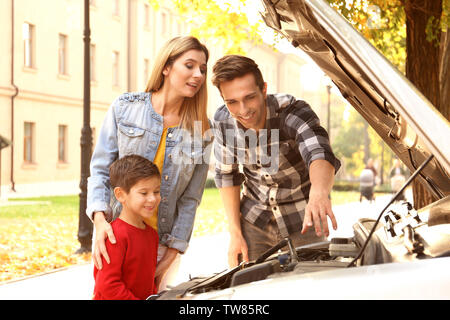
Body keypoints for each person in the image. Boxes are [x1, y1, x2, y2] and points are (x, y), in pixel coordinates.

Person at [87, 36, 212, 291]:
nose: (198, 74)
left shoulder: (202, 129)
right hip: (116, 234)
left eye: (202, 68)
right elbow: (100, 169)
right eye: (189, 65)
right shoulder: (125, 108)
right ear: (166, 67)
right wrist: (100, 222)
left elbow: (191, 198)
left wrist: (173, 251)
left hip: (162, 243)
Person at [210, 55, 341, 267]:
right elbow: (226, 175)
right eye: (232, 102)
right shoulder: (223, 121)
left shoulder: (292, 112)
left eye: (250, 97)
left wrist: (319, 192)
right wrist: (235, 233)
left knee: (311, 286)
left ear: (264, 89)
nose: (243, 110)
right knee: (248, 288)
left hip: (303, 217)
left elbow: (318, 151)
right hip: (255, 219)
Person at [93, 155, 160, 300]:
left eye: (156, 191)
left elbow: (148, 282)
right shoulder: (113, 236)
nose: (153, 199)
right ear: (121, 194)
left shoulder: (152, 235)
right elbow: (107, 285)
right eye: (144, 193)